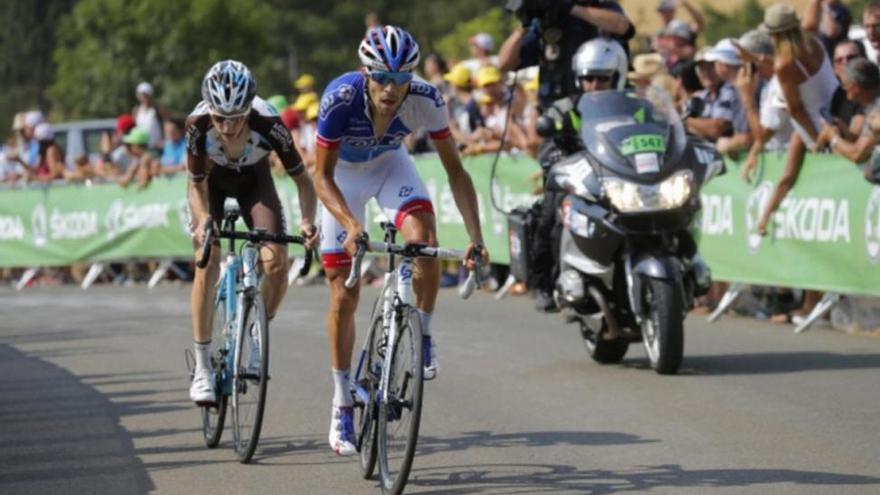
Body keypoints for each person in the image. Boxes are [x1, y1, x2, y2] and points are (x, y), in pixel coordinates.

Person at [313, 26, 487, 456]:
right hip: (343, 181)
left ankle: (423, 333)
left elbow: (457, 173)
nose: (391, 89)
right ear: (364, 73)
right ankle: (341, 403)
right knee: (343, 294)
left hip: (391, 166)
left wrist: (476, 237)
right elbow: (320, 175)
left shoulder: (427, 100)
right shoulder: (340, 99)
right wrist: (352, 223)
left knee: (424, 241)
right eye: (381, 78)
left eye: (400, 78)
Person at [186, 60, 318, 405]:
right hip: (211, 186)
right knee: (206, 261)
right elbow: (195, 185)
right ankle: (202, 368)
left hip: (253, 183)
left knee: (275, 265)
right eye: (220, 119)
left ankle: (256, 329)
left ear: (249, 110)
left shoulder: (270, 122)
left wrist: (307, 222)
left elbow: (304, 181)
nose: (227, 128)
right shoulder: (197, 125)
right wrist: (202, 222)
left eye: (236, 118)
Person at [498, 1, 632, 312]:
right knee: (556, 202)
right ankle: (545, 280)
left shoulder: (597, 7)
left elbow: (621, 26)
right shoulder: (543, 22)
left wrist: (570, 7)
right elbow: (506, 61)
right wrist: (526, 20)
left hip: (610, 118)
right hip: (561, 124)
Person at [133, 82, 163, 150]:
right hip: (141, 147)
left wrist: (164, 141)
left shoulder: (158, 110)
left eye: (146, 94)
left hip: (156, 148)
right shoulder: (136, 110)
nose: (144, 97)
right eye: (142, 94)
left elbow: (168, 125)